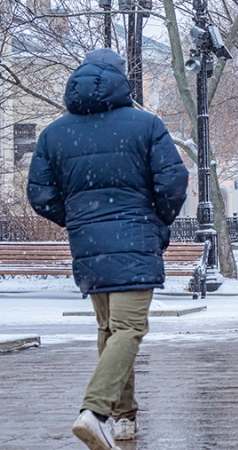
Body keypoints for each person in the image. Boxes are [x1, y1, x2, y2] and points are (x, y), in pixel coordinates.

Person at [26, 48, 189, 450]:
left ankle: (125, 419)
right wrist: (156, 219)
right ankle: (96, 412)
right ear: (121, 81)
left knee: (110, 329)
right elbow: (173, 180)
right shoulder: (146, 125)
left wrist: (79, 218)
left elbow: (40, 193)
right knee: (130, 328)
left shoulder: (54, 134)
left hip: (89, 244)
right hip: (135, 239)